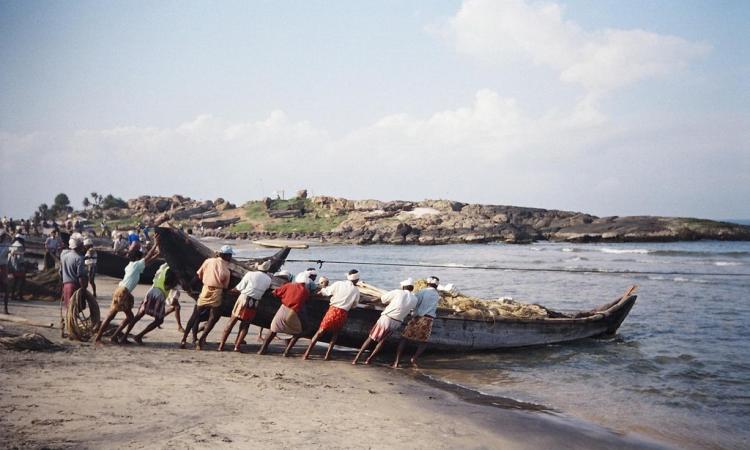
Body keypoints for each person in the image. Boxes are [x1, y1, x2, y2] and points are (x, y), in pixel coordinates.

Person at [94, 242, 160, 344]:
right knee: (112, 316)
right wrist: (155, 244)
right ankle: (100, 338)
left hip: (121, 291)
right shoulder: (136, 265)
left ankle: (113, 336)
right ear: (138, 258)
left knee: (125, 317)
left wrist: (157, 255)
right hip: (123, 293)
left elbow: (148, 261)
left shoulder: (131, 265)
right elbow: (147, 257)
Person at [353, 278, 418, 365]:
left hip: (386, 318)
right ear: (412, 288)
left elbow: (383, 299)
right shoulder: (415, 299)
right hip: (397, 322)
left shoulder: (397, 292)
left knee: (371, 337)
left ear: (403, 287)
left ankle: (356, 358)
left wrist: (369, 301)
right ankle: (369, 359)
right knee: (382, 341)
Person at [180, 245, 233, 350]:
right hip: (217, 292)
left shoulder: (208, 261)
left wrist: (190, 286)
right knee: (214, 317)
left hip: (205, 290)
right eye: (230, 256)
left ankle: (184, 339)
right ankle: (201, 340)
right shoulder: (226, 270)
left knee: (195, 315)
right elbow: (225, 287)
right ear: (227, 256)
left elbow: (198, 275)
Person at [303, 269, 361, 361]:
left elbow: (325, 292)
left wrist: (317, 293)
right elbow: (354, 305)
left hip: (333, 310)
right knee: (335, 335)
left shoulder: (338, 284)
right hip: (343, 313)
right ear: (357, 280)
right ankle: (327, 356)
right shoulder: (356, 291)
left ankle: (306, 354)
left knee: (320, 332)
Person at [217, 260, 273, 352]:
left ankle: (221, 345)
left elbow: (239, 288)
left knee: (232, 321)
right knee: (245, 325)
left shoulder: (250, 274)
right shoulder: (268, 279)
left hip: (244, 298)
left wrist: (228, 291)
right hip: (254, 302)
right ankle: (237, 346)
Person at [257, 271, 310, 356]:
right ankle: (287, 351)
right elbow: (305, 300)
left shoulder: (289, 285)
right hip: (292, 312)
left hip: (283, 309)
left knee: (273, 329)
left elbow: (275, 293)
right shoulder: (306, 291)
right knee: (298, 332)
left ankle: (262, 350)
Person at [392, 276, 441, 368]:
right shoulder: (437, 295)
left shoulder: (423, 291)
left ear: (427, 283)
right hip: (429, 320)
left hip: (418, 318)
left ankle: (397, 361)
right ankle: (414, 358)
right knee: (424, 342)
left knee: (404, 339)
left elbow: (414, 302)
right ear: (436, 286)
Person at [130, 268, 180, 344]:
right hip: (160, 295)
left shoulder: (164, 267)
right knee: (159, 320)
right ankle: (139, 336)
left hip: (152, 291)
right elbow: (167, 286)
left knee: (139, 315)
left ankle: (125, 336)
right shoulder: (173, 272)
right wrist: (175, 283)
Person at [59, 236, 89, 335]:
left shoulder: (64, 256)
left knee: (69, 308)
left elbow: (60, 272)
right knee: (75, 308)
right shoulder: (79, 258)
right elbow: (80, 276)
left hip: (66, 285)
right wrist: (83, 289)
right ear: (79, 247)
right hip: (74, 286)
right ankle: (71, 330)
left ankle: (66, 327)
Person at [7, 234, 27, 302]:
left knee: (15, 281)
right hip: (19, 266)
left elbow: (9, 255)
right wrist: (23, 264)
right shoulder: (20, 246)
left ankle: (12, 295)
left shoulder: (12, 245)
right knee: (22, 281)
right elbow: (20, 257)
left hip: (12, 266)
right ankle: (20, 296)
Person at [0, 230, 10, 313]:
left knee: (6, 288)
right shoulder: (6, 246)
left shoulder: (7, 245)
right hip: (2, 266)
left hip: (4, 266)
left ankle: (5, 308)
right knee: (5, 288)